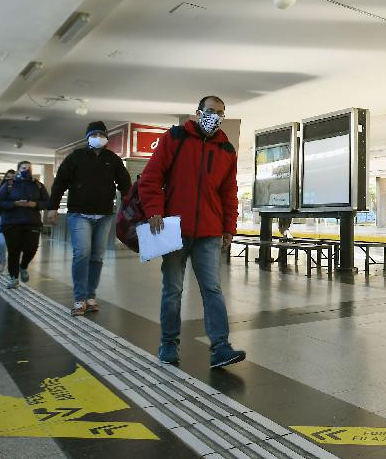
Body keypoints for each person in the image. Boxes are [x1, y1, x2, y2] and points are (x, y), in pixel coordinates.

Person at [138, 95, 245, 369]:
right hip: (173, 229)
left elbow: (228, 193)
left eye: (220, 112)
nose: (215, 116)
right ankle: (168, 343)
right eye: (210, 111)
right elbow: (151, 177)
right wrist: (154, 210)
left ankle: (220, 347)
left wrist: (228, 229)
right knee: (172, 289)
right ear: (198, 112)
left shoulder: (226, 150)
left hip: (209, 232)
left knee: (212, 289)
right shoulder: (175, 138)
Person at [48, 121, 131, 316]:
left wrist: (130, 205)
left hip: (104, 215)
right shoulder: (75, 157)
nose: (98, 137)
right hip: (79, 214)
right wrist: (52, 207)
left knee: (97, 256)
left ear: (106, 138)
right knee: (82, 253)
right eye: (94, 134)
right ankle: (79, 298)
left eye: (102, 134)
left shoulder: (113, 159)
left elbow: (125, 184)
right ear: (87, 137)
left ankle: (90, 296)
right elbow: (59, 183)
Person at [0, 161, 49, 289]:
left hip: (32, 222)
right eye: (24, 168)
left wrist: (35, 204)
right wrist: (14, 204)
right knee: (14, 251)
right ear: (18, 170)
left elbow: (47, 201)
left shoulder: (38, 185)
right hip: (12, 223)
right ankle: (13, 278)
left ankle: (23, 266)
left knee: (32, 248)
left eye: (29, 168)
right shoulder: (9, 185)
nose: (27, 170)